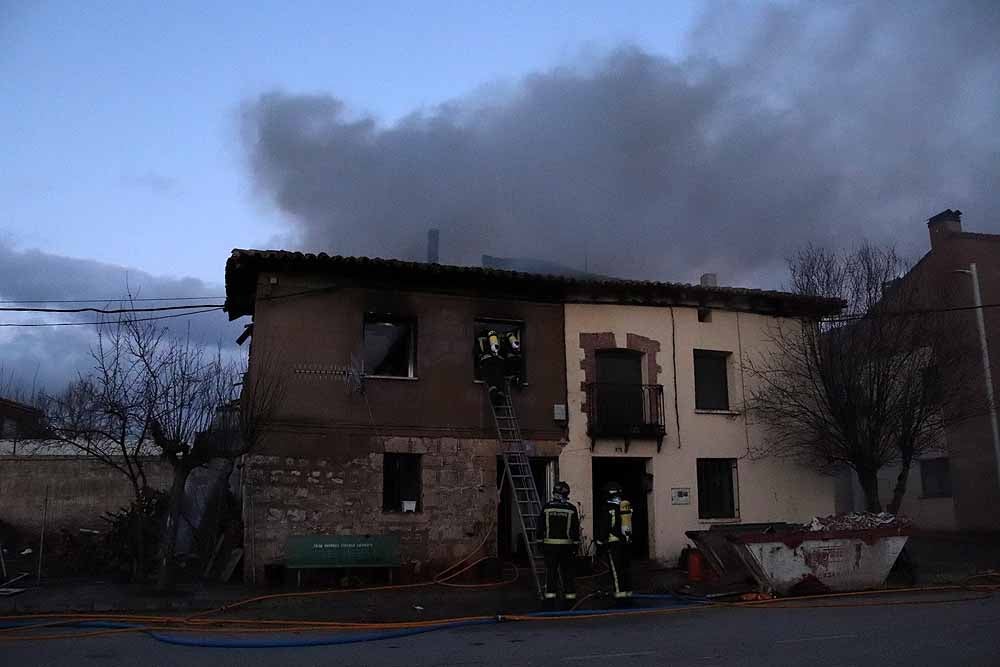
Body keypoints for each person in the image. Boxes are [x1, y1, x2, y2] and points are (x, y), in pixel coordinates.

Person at [537, 480, 580, 605]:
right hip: (567, 547)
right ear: (567, 494)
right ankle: (570, 599)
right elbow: (575, 529)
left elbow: (540, 527)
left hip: (550, 547)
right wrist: (576, 546)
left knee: (551, 573)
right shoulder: (571, 509)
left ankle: (550, 599)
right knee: (567, 573)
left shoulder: (547, 507)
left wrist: (540, 543)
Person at [595, 481, 633, 602]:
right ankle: (628, 594)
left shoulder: (608, 508)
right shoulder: (626, 507)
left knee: (616, 571)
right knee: (625, 569)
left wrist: (600, 542)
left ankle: (620, 597)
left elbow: (605, 527)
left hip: (613, 544)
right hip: (626, 543)